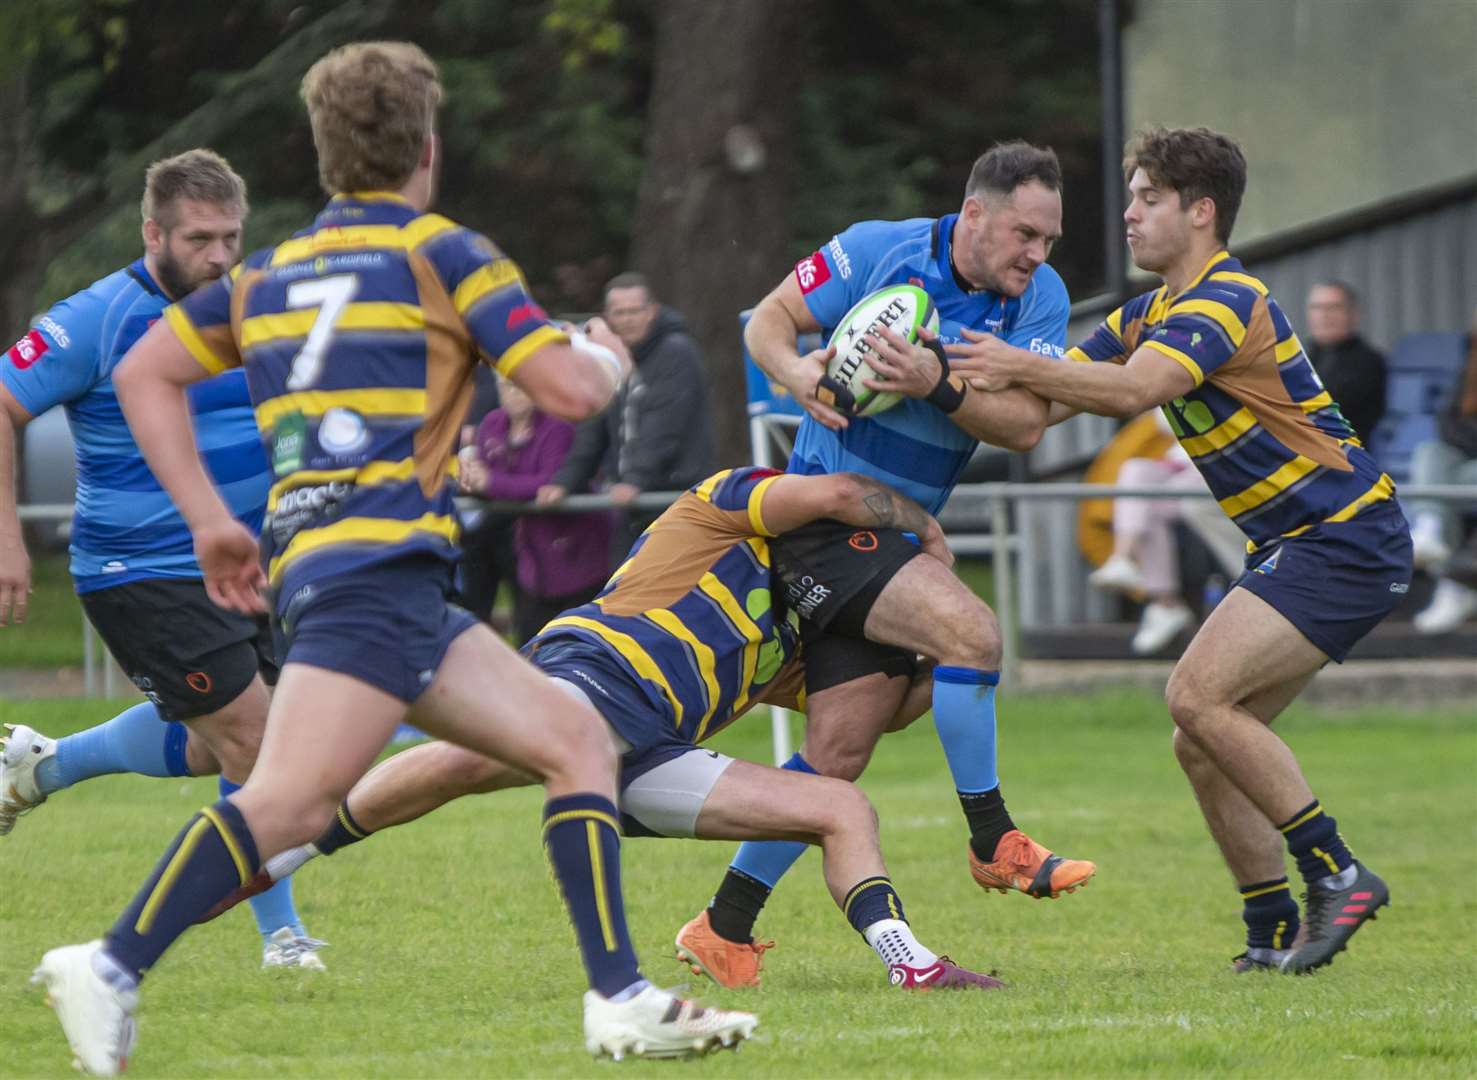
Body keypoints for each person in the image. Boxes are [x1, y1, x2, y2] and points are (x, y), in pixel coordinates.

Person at [29, 42, 755, 1076]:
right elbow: (569, 392)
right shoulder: (441, 252)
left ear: (326, 154)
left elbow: (146, 373)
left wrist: (208, 520)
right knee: (287, 802)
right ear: (427, 146)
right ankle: (107, 963)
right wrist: (602, 348)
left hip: (365, 573)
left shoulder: (269, 272)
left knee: (572, 742)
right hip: (369, 575)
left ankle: (619, 997)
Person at [215, 466, 1006, 993]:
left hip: (649, 753)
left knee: (840, 807)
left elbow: (883, 715)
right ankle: (281, 850)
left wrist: (945, 656)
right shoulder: (720, 506)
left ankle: (913, 967)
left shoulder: (787, 645)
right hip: (595, 670)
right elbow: (837, 492)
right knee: (469, 762)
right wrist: (921, 530)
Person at [949, 126, 1411, 975]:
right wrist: (938, 381)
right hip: (1298, 541)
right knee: (1198, 735)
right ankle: (1270, 925)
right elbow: (1030, 416)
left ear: (1200, 213)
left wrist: (1010, 362)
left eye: (1146, 199)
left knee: (1195, 696)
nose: (1126, 214)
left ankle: (1336, 871)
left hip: (1343, 534)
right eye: (1130, 197)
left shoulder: (1222, 301)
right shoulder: (1148, 313)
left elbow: (1129, 391)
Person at [673, 141, 1096, 989]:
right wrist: (797, 374)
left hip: (897, 537)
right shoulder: (877, 249)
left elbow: (1021, 426)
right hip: (826, 516)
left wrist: (933, 381)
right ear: (973, 213)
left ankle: (722, 929)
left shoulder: (1039, 300)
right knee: (970, 633)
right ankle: (992, 840)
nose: (1036, 254)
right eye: (1024, 233)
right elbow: (767, 321)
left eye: (1048, 239)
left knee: (836, 753)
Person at [0, 149, 322, 970]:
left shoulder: (247, 310)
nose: (218, 255)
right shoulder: (98, 317)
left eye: (230, 237)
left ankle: (43, 766)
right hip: (141, 571)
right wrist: (7, 538)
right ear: (154, 233)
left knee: (228, 745)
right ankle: (270, 937)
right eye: (199, 238)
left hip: (249, 565)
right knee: (264, 749)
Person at [538, 272, 715, 553]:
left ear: (652, 311)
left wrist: (636, 479)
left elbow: (664, 424)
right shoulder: (616, 359)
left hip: (676, 501)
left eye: (635, 311)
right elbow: (593, 429)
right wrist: (565, 482)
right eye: (619, 312)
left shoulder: (676, 353)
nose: (627, 319)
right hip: (634, 506)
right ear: (608, 316)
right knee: (621, 589)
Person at [457, 376, 613, 643]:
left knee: (579, 641)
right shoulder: (492, 424)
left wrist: (493, 482)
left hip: (577, 554)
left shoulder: (557, 426)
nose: (513, 394)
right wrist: (473, 481)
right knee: (532, 643)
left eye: (521, 386)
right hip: (530, 558)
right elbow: (487, 476)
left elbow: (548, 482)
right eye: (506, 387)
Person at [1089, 413, 1246, 654]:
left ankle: (1165, 602)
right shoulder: (1180, 378)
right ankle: (1128, 564)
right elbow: (1164, 421)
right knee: (1135, 471)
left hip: (1224, 465)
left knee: (1160, 502)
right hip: (1183, 465)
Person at [1407, 310, 1477, 634]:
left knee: (1443, 486)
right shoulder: (1470, 372)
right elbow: (1446, 424)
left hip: (1468, 466)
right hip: (1466, 465)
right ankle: (1431, 531)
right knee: (1429, 452)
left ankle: (1454, 583)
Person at [1303, 281, 1387, 443]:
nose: (1323, 315)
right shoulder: (1302, 357)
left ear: (1353, 314)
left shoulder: (1368, 362)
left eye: (1333, 307)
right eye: (1316, 308)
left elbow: (1328, 408)